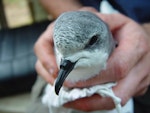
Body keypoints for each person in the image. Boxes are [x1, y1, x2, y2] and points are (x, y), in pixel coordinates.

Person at [34, 0, 150, 113]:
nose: (65, 63)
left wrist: (147, 34)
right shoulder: (63, 53)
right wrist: (74, 22)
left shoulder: (106, 43)